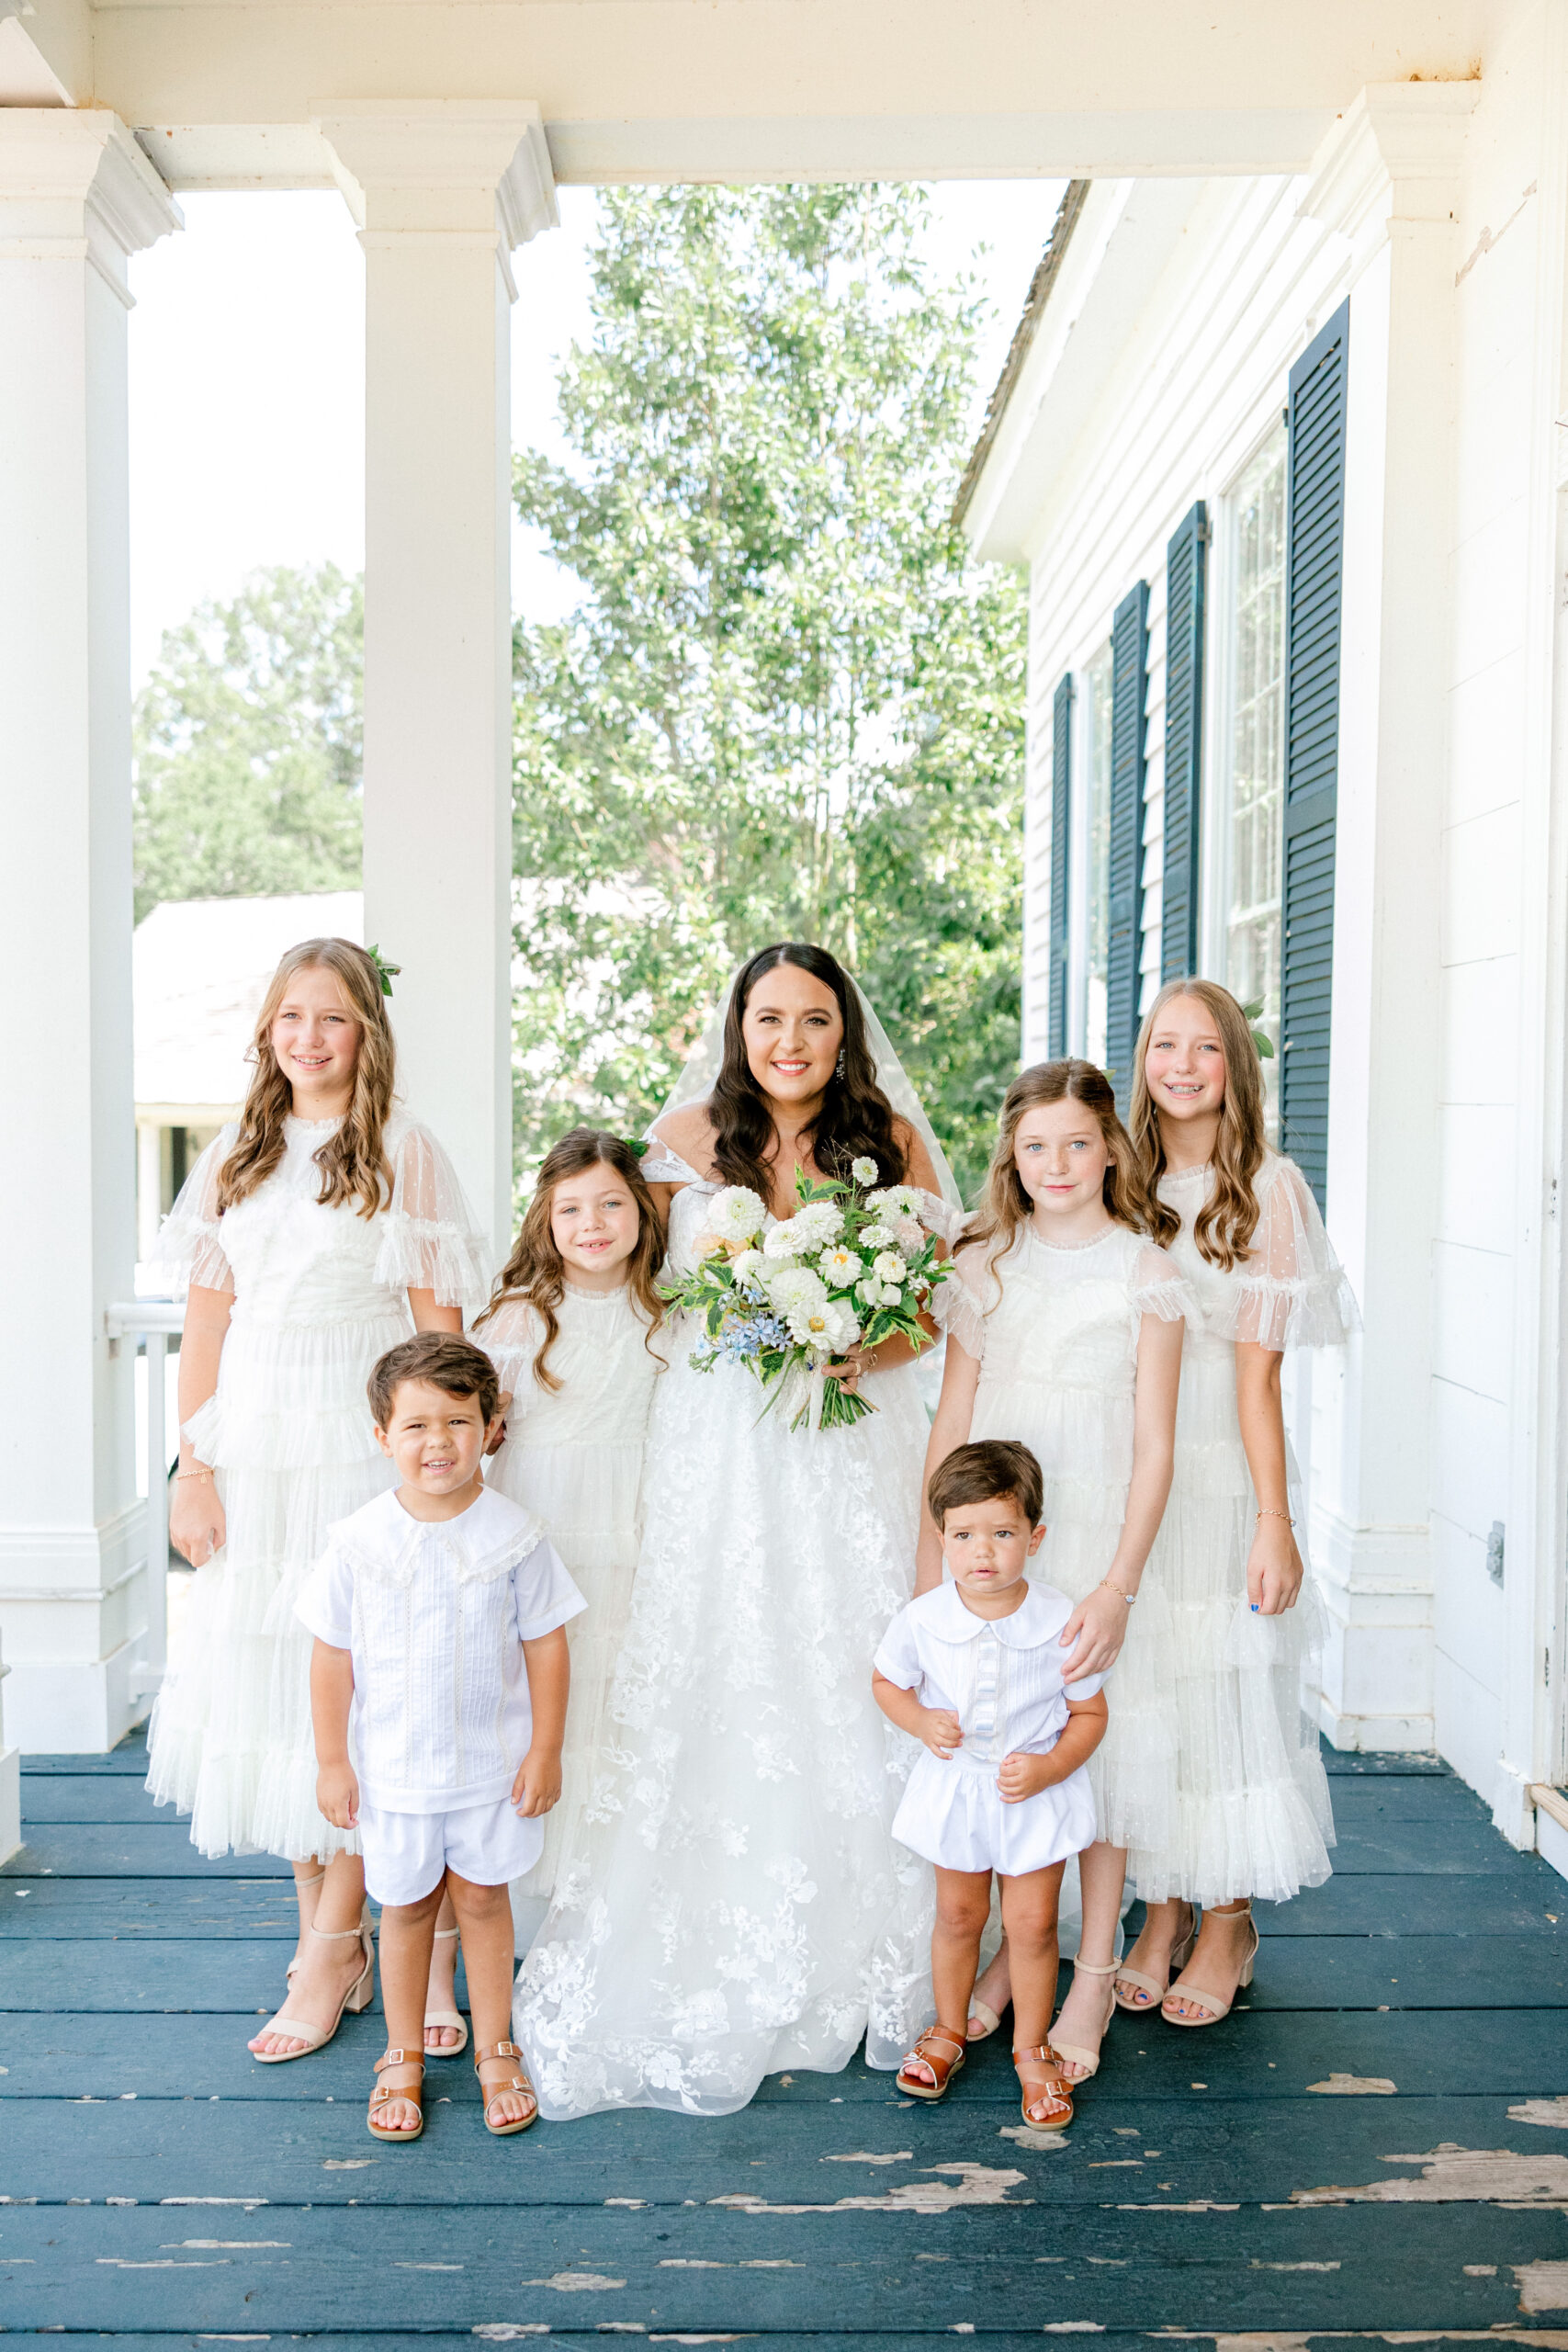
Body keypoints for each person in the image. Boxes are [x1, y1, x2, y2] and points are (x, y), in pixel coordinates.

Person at [514, 941, 963, 2118]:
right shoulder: (681, 1135)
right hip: (720, 1431)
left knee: (843, 1643)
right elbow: (632, 1278)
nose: (791, 1042)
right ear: (739, 1026)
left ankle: (879, 1938)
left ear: (844, 1032)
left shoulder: (891, 1144)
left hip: (846, 1426)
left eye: (815, 1020)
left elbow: (928, 1309)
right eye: (769, 1018)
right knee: (723, 1648)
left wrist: (857, 1344)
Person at [143, 937, 489, 2062]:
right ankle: (323, 1936)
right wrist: (194, 1467)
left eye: (331, 1017)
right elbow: (206, 1325)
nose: (308, 1037)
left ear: (366, 1034)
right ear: (267, 1032)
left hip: (357, 1447)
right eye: (290, 1016)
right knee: (278, 1695)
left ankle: (354, 1946)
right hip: (256, 1450)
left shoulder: (399, 1149)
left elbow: (439, 1326)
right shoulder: (235, 1157)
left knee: (361, 1687)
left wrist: (453, 1458)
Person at [917, 1060, 1191, 2082]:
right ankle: (1008, 1949)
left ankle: (1091, 1965)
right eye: (1036, 1147)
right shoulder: (986, 1258)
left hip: (1094, 1524)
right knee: (1005, 1724)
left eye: (1078, 1142)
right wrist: (926, 1567)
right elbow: (952, 1420)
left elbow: (1156, 1444)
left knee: (1095, 1735)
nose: (1057, 1164)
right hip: (994, 1521)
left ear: (1113, 1148)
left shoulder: (1145, 1267)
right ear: (1011, 1158)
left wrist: (1118, 1582)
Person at [1114, 978, 1357, 2029]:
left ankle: (1227, 1919)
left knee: (1231, 1690)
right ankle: (1160, 1911)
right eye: (1163, 1044)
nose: (1180, 1065)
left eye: (1203, 1047)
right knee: (1153, 1692)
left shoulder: (1265, 1187)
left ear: (1234, 1066)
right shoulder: (1115, 1179)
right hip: (1130, 1473)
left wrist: (1275, 1520)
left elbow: (1258, 1380)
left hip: (1220, 1471)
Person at [299, 1332, 585, 2143]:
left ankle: (497, 2046)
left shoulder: (514, 1534)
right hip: (392, 1770)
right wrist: (331, 1760)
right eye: (417, 1426)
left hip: (489, 1766)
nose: (438, 1443)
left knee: (486, 1903)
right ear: (383, 1436)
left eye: (457, 1422)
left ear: (490, 1428)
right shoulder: (357, 1541)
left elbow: (546, 1645)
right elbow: (331, 1658)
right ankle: (401, 2055)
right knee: (404, 1908)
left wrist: (545, 1749)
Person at [875, 1441, 1108, 2133]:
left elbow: (1089, 1714)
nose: (983, 1552)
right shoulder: (923, 1618)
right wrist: (920, 1720)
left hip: (1031, 1792)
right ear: (942, 1538)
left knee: (1031, 1926)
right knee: (957, 1917)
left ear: (1033, 1538)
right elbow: (886, 1683)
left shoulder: (1059, 1622)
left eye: (1002, 1534)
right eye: (964, 1535)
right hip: (957, 1790)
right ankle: (948, 2027)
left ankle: (1031, 2050)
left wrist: (1050, 1767)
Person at [477, 1130, 666, 1905]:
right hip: (543, 1521)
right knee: (540, 1691)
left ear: (643, 1213)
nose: (593, 1223)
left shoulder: (663, 1312)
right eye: (571, 1209)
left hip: (633, 1522)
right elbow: (480, 1428)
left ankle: (600, 1891)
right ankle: (525, 1884)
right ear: (545, 1223)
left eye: (611, 1203)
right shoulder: (524, 1317)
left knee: (612, 1695)